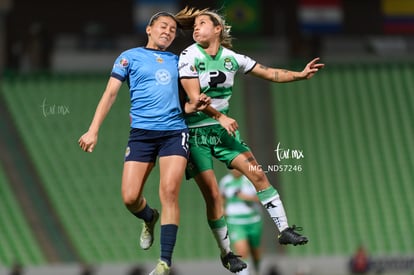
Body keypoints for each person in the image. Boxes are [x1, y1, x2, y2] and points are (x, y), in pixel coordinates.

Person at [175, 7, 325, 273]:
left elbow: (270, 73)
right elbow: (194, 98)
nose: (195, 29)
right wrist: (220, 116)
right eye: (194, 25)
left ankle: (284, 230)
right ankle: (227, 253)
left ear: (218, 29)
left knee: (258, 175)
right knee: (212, 195)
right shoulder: (189, 55)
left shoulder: (232, 58)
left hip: (223, 133)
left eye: (202, 24)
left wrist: (299, 75)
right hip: (197, 133)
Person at [78, 11, 209, 275]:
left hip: (174, 132)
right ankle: (149, 217)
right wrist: (93, 130)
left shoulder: (179, 61)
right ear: (149, 29)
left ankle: (164, 262)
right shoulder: (129, 57)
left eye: (173, 29)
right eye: (163, 26)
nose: (169, 32)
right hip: (142, 135)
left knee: (169, 190)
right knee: (129, 198)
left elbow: (189, 99)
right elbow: (111, 93)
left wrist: (196, 104)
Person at [219, 169, 263, 275]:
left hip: (253, 220)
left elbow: (262, 197)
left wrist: (246, 197)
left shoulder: (250, 180)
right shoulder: (225, 181)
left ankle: (257, 269)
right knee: (242, 251)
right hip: (235, 221)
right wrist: (222, 208)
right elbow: (221, 197)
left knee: (255, 252)